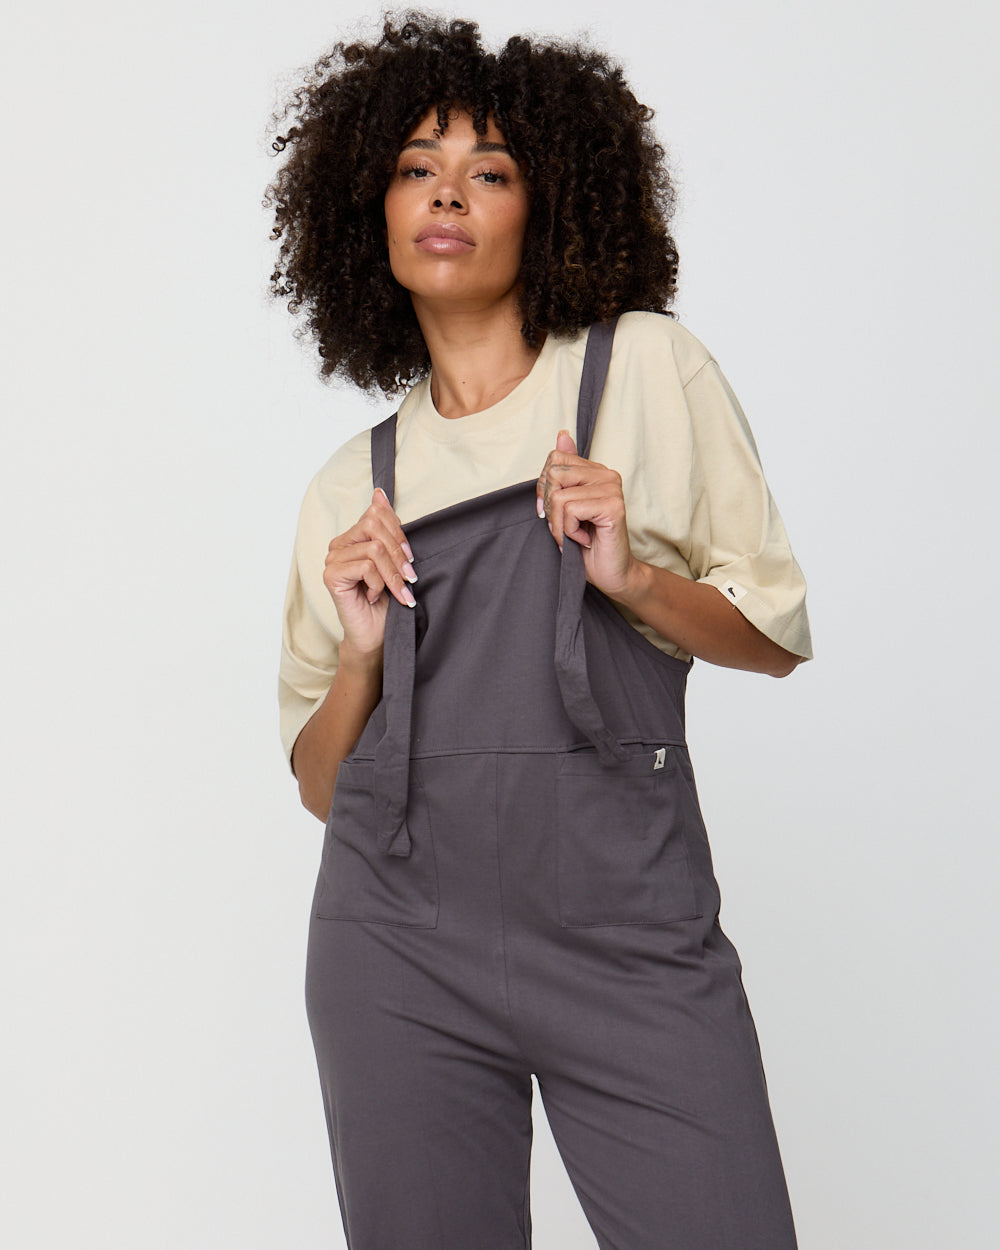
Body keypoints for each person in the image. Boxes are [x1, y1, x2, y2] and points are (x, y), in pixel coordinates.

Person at [267, 14, 812, 1250]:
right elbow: (318, 788)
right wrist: (360, 651)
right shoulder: (353, 483)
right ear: (369, 208)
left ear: (548, 208)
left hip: (626, 928)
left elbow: (771, 635)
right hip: (395, 948)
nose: (447, 193)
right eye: (416, 167)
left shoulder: (645, 375)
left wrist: (629, 574)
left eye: (490, 170)